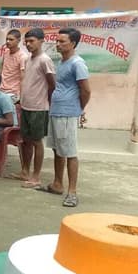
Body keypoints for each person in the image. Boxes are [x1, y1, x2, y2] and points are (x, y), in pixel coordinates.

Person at [39, 28, 91, 207]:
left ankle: (72, 192)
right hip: (56, 111)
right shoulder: (62, 62)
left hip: (68, 113)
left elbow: (86, 90)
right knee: (57, 150)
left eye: (62, 41)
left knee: (70, 152)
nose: (58, 44)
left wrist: (79, 108)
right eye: (57, 41)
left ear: (73, 43)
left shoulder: (78, 64)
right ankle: (57, 184)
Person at [15, 28, 56, 189]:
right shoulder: (28, 59)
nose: (28, 44)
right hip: (26, 105)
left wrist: (47, 102)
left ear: (41, 41)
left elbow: (52, 84)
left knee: (37, 141)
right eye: (26, 41)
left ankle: (36, 176)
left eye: (32, 41)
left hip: (39, 108)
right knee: (26, 140)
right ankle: (25, 171)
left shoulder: (45, 60)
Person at [0, 29, 29, 103]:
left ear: (18, 40)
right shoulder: (6, 52)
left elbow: (23, 78)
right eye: (7, 39)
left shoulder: (22, 56)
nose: (8, 41)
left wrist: (21, 97)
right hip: (0, 90)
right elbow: (1, 68)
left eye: (11, 39)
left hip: (13, 93)